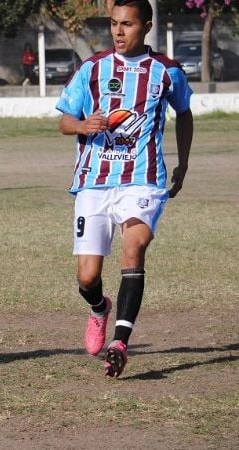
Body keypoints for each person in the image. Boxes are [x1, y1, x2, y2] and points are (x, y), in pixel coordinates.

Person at [56, 0, 193, 378]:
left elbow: (184, 113)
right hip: (94, 182)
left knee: (134, 249)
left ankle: (119, 343)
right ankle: (100, 308)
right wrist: (83, 126)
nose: (118, 31)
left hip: (143, 179)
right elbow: (65, 121)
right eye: (114, 23)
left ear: (146, 26)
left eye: (127, 24)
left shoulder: (167, 72)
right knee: (86, 277)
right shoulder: (93, 68)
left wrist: (183, 162)